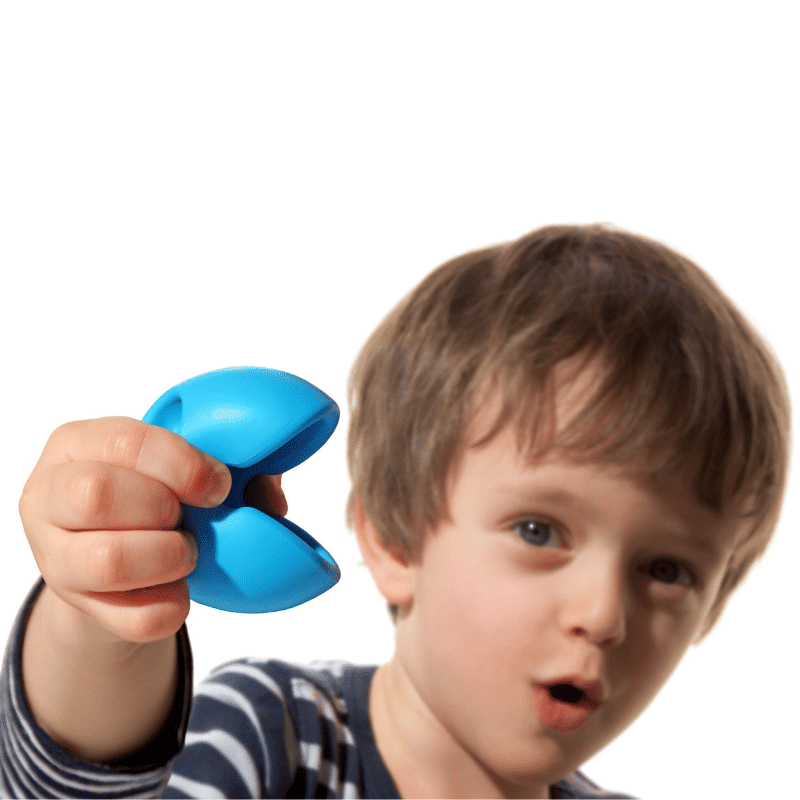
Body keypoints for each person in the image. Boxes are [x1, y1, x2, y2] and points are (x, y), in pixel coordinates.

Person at [0, 224, 790, 799]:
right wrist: (105, 613)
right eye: (539, 530)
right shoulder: (274, 736)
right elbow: (77, 784)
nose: (603, 614)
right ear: (394, 538)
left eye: (667, 569)